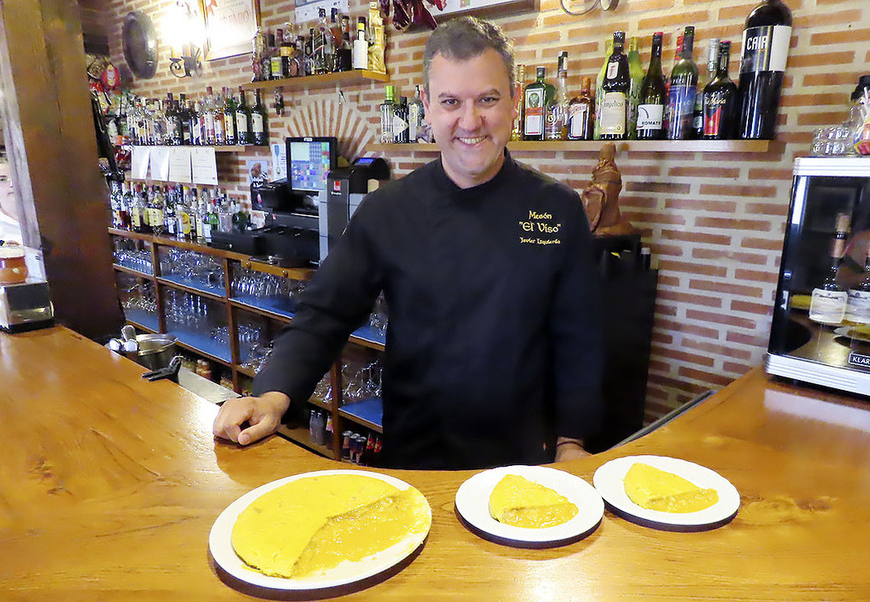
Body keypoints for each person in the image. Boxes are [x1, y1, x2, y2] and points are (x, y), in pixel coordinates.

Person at [213, 16, 604, 470]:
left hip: (524, 457)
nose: (470, 120)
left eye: (488, 99)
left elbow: (580, 338)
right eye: (451, 101)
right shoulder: (388, 209)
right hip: (416, 455)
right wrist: (271, 393)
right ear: (427, 106)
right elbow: (325, 312)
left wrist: (571, 442)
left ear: (515, 101)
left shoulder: (558, 208)